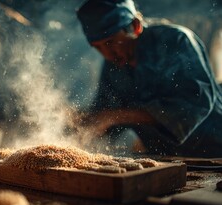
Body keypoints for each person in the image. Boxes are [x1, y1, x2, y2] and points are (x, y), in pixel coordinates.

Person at [75, 0, 222, 157]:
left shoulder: (175, 41)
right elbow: (104, 113)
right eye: (97, 47)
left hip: (213, 152)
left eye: (110, 42)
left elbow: (192, 105)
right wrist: (79, 121)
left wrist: (116, 116)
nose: (107, 53)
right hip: (166, 158)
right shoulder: (113, 66)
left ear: (135, 26)